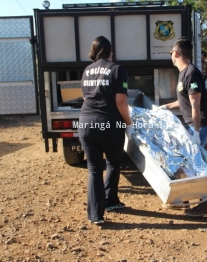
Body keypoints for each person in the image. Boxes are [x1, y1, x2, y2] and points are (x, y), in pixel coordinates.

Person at [78, 36, 134, 225]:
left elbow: (86, 99)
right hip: (110, 124)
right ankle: (110, 201)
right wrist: (128, 123)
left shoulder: (86, 70)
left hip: (85, 123)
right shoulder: (118, 70)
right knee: (113, 163)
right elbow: (120, 100)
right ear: (111, 51)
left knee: (94, 169)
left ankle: (95, 215)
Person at [159, 37, 207, 217]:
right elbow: (183, 101)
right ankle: (182, 199)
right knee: (180, 160)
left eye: (171, 53)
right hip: (193, 124)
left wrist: (197, 133)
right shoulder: (184, 73)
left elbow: (195, 105)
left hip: (201, 125)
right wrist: (166, 107)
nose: (171, 56)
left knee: (193, 163)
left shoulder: (191, 73)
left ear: (176, 53)